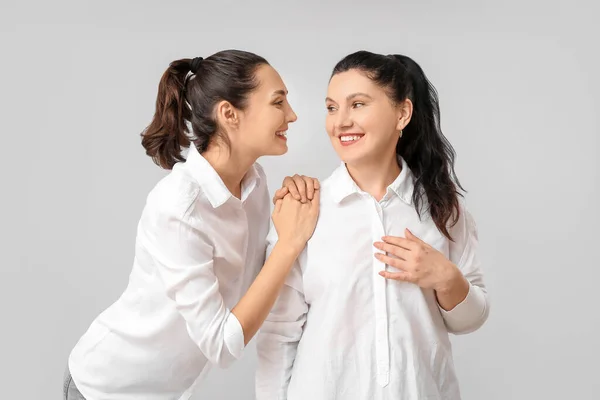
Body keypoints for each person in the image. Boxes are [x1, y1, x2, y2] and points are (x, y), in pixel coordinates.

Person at [63, 50, 320, 400]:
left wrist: (294, 204)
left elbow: (262, 279)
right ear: (229, 114)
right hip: (105, 389)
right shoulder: (178, 207)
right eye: (278, 102)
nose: (292, 115)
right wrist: (289, 243)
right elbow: (222, 345)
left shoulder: (255, 183)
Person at [256, 50, 490, 400]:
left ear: (402, 113)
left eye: (358, 104)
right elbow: (278, 333)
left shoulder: (443, 210)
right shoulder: (304, 209)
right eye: (332, 108)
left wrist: (445, 278)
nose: (340, 121)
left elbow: (470, 319)